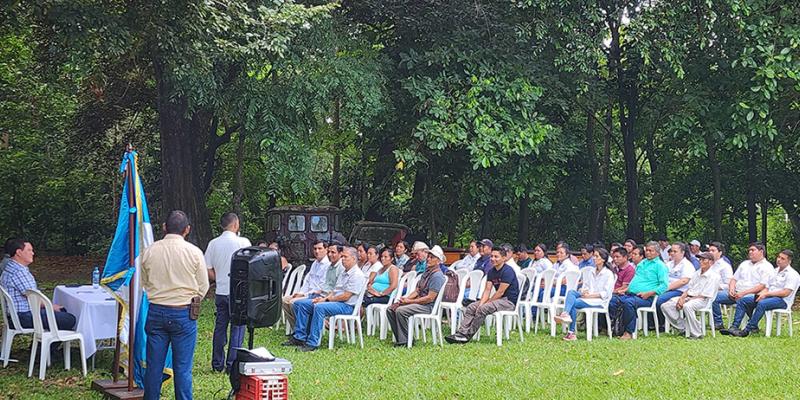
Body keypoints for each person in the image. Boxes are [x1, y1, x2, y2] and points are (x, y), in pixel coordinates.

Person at [140, 210, 209, 400]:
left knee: (154, 366)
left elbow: (144, 283)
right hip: (183, 313)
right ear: (187, 229)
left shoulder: (149, 251)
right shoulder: (194, 252)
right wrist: (191, 300)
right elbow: (203, 286)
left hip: (156, 312)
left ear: (164, 227)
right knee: (183, 368)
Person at [284, 247, 366, 352]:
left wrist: (327, 300)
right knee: (300, 304)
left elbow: (346, 296)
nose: (343, 259)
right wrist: (324, 298)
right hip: (336, 302)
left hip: (347, 306)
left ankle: (313, 342)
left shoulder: (357, 275)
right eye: (342, 257)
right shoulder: (344, 272)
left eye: (345, 257)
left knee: (319, 307)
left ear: (354, 259)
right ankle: (300, 336)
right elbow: (335, 290)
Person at [204, 212, 251, 373]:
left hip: (221, 291)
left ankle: (217, 364)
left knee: (220, 328)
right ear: (236, 224)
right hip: (238, 292)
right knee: (237, 328)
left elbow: (207, 268)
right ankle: (232, 364)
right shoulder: (243, 242)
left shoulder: (213, 243)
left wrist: (219, 279)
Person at [0, 239, 76, 334]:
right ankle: (45, 347)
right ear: (18, 252)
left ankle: (42, 345)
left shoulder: (10, 267)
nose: (32, 253)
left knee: (61, 315)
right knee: (69, 319)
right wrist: (52, 307)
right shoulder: (19, 272)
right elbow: (34, 298)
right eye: (29, 250)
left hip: (15, 315)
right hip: (23, 316)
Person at [445, 247, 519, 344]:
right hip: (498, 300)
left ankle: (467, 335)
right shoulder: (492, 271)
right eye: (491, 256)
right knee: (471, 307)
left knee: (483, 308)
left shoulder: (508, 271)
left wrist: (485, 304)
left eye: (496, 257)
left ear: (504, 258)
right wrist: (481, 303)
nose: (493, 259)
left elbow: (500, 292)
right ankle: (461, 333)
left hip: (508, 301)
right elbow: (487, 290)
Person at [729, 250, 799, 337]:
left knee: (762, 303)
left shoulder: (792, 274)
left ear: (789, 261)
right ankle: (734, 327)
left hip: (782, 301)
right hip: (768, 297)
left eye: (782, 258)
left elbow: (785, 292)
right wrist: (762, 293)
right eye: (778, 257)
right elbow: (767, 287)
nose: (779, 260)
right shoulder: (775, 271)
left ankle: (748, 329)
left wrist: (766, 294)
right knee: (743, 300)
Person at [386, 246, 447, 347]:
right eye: (429, 256)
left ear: (438, 261)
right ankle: (402, 339)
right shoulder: (427, 272)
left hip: (428, 306)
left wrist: (409, 302)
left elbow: (430, 298)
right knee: (390, 309)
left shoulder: (437, 276)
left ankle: (406, 341)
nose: (428, 259)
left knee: (401, 311)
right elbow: (418, 290)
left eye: (432, 257)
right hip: (420, 302)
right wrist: (405, 299)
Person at [554, 248, 614, 340]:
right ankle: (566, 314)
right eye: (594, 256)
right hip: (587, 297)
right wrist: (583, 291)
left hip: (599, 301)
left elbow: (606, 293)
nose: (594, 258)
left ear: (603, 259)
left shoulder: (608, 274)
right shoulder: (591, 272)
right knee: (571, 292)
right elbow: (585, 286)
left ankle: (571, 332)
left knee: (573, 303)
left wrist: (590, 296)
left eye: (596, 256)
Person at [716, 242, 774, 333]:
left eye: (753, 250)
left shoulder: (767, 267)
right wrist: (731, 289)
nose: (750, 252)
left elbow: (762, 286)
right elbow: (733, 279)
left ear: (761, 251)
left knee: (743, 299)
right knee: (714, 296)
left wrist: (743, 293)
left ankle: (735, 326)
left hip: (752, 294)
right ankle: (718, 323)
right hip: (736, 292)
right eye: (749, 250)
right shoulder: (744, 264)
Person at [660, 252, 720, 339]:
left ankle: (696, 333)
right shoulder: (696, 273)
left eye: (704, 260)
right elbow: (689, 289)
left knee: (687, 306)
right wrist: (682, 298)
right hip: (690, 297)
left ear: (711, 262)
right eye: (700, 259)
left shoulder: (714, 276)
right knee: (666, 306)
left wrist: (686, 300)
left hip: (703, 300)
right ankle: (683, 327)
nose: (701, 261)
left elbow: (705, 295)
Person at [616, 241, 668, 340]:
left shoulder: (660, 266)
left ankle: (629, 332)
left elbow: (664, 285)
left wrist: (648, 293)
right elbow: (637, 280)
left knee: (628, 303)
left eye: (650, 251)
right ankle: (612, 329)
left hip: (647, 298)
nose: (647, 253)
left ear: (657, 253)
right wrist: (626, 289)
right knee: (613, 301)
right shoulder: (642, 263)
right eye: (646, 250)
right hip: (631, 294)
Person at [281, 240, 330, 333]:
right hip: (307, 293)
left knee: (293, 303)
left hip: (316, 295)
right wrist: (301, 293)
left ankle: (302, 331)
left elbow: (320, 288)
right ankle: (296, 329)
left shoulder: (327, 266)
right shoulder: (315, 264)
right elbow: (307, 282)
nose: (317, 251)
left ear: (326, 249)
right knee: (284, 300)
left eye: (320, 249)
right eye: (315, 249)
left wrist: (304, 295)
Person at [655, 242, 695, 329]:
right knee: (651, 296)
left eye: (675, 251)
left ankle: (662, 324)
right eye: (671, 251)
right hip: (666, 288)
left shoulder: (687, 265)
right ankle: (653, 322)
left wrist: (666, 288)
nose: (672, 253)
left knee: (659, 300)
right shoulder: (669, 264)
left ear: (682, 252)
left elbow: (684, 281)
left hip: (680, 291)